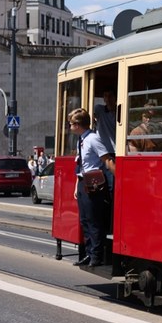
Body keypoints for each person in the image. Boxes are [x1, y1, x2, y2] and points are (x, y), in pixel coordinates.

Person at [69, 107, 114, 267]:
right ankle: (89, 253)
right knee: (85, 220)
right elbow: (81, 164)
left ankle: (96, 255)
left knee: (94, 220)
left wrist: (119, 178)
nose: (69, 126)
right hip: (83, 182)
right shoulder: (81, 139)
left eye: (71, 123)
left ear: (78, 124)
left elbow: (107, 159)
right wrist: (77, 185)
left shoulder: (93, 139)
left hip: (93, 183)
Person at [95, 87, 118, 155]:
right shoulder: (99, 109)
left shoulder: (120, 112)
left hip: (117, 149)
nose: (108, 99)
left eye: (110, 96)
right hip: (102, 150)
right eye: (105, 96)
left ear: (115, 97)